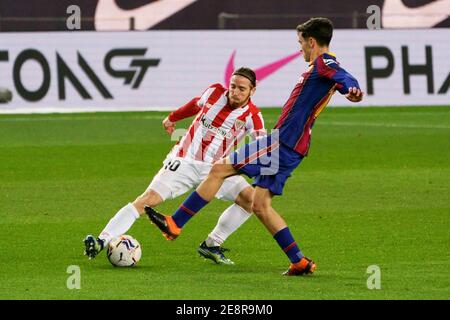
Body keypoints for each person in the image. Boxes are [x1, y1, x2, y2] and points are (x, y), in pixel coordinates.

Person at [146, 17, 364, 276]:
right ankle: (299, 261)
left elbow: (343, 75)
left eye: (301, 43)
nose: (300, 48)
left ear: (312, 41)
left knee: (219, 169)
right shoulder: (320, 67)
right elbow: (340, 79)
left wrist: (353, 87)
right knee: (260, 204)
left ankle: (175, 223)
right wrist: (350, 89)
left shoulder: (324, 62)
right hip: (295, 147)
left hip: (282, 141)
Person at [84, 67, 265, 265]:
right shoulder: (214, 92)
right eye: (232, 86)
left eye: (241, 89)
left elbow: (263, 146)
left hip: (216, 171)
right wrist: (173, 117)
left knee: (252, 200)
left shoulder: (253, 116)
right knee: (147, 200)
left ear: (252, 91)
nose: (235, 92)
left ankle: (212, 244)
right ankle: (102, 240)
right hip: (184, 160)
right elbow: (195, 104)